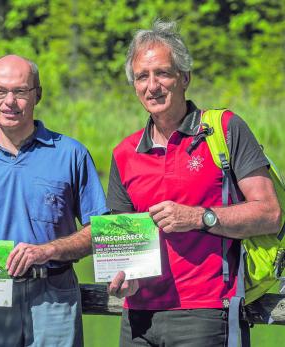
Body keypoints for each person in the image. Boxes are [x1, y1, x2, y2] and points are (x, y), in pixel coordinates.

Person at [106, 20, 281, 346]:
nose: (152, 85)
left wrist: (198, 217)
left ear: (184, 78)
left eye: (163, 73)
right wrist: (123, 278)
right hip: (137, 316)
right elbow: (123, 245)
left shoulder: (224, 129)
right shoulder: (123, 153)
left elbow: (269, 213)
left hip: (206, 311)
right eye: (142, 77)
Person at [0, 54, 108, 347]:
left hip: (55, 293)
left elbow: (100, 232)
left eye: (20, 91)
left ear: (37, 95)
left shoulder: (71, 154)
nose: (9, 101)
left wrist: (48, 250)